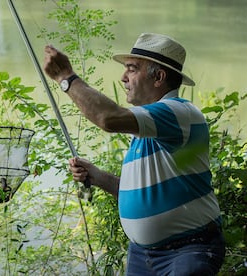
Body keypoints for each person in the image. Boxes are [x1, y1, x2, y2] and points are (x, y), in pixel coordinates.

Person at [43, 33, 226, 275]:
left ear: (159, 77)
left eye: (132, 69)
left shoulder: (179, 113)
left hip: (188, 250)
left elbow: (108, 118)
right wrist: (97, 176)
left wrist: (66, 77)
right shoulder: (147, 129)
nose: (123, 77)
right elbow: (140, 191)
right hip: (143, 255)